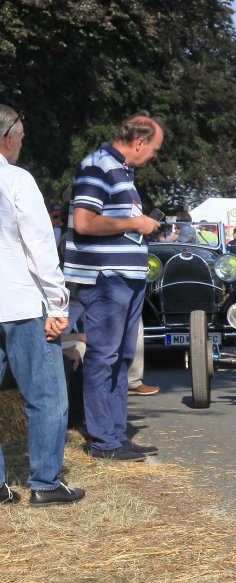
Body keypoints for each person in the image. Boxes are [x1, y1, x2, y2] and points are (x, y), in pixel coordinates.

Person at [66, 114, 164, 461]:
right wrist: (136, 222)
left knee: (121, 357)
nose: (153, 155)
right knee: (104, 356)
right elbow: (84, 222)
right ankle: (103, 441)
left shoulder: (121, 171)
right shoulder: (97, 166)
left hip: (126, 277)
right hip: (107, 278)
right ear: (139, 141)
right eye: (154, 148)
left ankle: (115, 434)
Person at [0, 103, 85, 504]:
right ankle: (45, 483)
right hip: (21, 303)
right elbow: (40, 245)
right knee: (46, 396)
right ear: (7, 138)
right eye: (20, 136)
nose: (21, 143)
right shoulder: (16, 179)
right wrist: (57, 304)